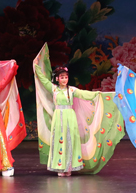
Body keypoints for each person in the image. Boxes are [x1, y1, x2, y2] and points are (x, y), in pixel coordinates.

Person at [33, 42, 123, 176]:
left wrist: (102, 94)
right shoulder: (54, 89)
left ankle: (69, 167)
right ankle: (60, 167)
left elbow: (87, 94)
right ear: (57, 79)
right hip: (58, 116)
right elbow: (43, 80)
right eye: (62, 77)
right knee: (59, 140)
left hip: (70, 116)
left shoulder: (72, 90)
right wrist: (36, 67)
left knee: (71, 139)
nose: (64, 79)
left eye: (66, 77)